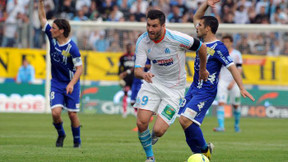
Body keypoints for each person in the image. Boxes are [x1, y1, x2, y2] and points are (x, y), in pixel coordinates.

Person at [178, 0, 255, 160]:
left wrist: (241, 87)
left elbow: (232, 66)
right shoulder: (201, 41)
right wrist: (206, 4)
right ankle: (203, 152)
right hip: (194, 88)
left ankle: (203, 152)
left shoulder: (219, 47)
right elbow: (197, 15)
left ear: (208, 28)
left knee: (186, 119)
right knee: (183, 121)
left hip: (206, 91)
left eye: (200, 25)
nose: (196, 26)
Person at [134, 9, 209, 162]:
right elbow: (137, 70)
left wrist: (202, 69)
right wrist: (144, 74)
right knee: (141, 122)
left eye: (154, 26)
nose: (150, 29)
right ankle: (150, 157)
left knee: (158, 130)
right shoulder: (142, 41)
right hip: (153, 82)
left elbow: (202, 48)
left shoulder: (177, 38)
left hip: (175, 89)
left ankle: (154, 137)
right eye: (148, 25)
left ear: (163, 26)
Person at [38, 0, 83, 148]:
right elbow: (43, 18)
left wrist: (71, 83)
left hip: (72, 84)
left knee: (72, 114)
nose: (51, 30)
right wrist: (40, 3)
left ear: (61, 31)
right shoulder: (52, 38)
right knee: (56, 113)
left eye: (54, 28)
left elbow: (80, 69)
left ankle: (77, 141)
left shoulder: (72, 48)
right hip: (57, 82)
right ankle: (61, 134)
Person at [214, 35, 243, 132]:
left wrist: (234, 82)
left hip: (234, 83)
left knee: (236, 105)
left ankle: (237, 126)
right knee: (221, 103)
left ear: (231, 42)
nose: (225, 43)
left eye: (227, 41)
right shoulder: (219, 53)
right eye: (224, 41)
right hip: (222, 82)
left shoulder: (236, 54)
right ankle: (221, 126)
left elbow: (239, 69)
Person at [118, 43, 135, 118]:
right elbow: (119, 68)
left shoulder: (135, 56)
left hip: (134, 77)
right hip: (126, 79)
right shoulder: (122, 57)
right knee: (125, 93)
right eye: (128, 48)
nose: (129, 49)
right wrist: (120, 75)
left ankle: (135, 111)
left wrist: (127, 72)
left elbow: (136, 67)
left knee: (135, 95)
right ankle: (124, 111)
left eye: (130, 47)